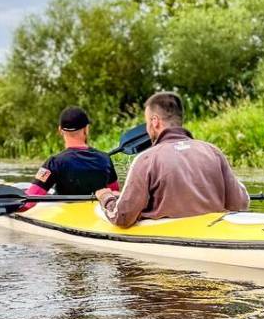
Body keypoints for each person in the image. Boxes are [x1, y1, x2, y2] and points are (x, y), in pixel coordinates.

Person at [94, 92, 249, 227]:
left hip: (174, 240)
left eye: (147, 123)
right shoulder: (213, 151)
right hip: (211, 233)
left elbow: (122, 217)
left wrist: (106, 197)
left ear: (155, 121)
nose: (148, 129)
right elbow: (240, 204)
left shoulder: (146, 159)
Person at [23, 107, 119, 209]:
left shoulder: (54, 163)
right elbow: (115, 192)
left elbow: (30, 201)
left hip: (65, 215)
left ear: (60, 130)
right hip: (96, 216)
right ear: (86, 129)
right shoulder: (105, 159)